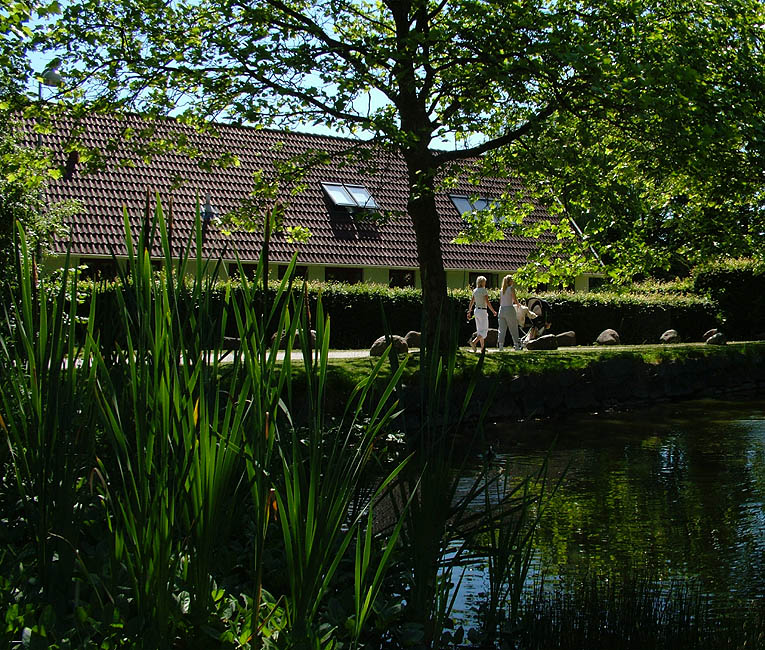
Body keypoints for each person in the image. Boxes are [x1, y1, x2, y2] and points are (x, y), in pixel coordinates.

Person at [466, 276, 496, 353]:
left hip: (476, 311)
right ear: (483, 282)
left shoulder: (475, 291)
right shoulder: (484, 291)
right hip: (483, 311)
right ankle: (474, 342)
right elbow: (487, 302)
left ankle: (482, 348)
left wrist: (469, 311)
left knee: (480, 330)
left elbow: (471, 302)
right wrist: (493, 311)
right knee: (485, 330)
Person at [497, 274, 521, 351]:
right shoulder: (511, 289)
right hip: (509, 309)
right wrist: (518, 304)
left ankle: (500, 346)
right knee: (513, 328)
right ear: (510, 281)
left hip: (501, 309)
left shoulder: (502, 290)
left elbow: (501, 301)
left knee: (501, 329)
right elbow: (514, 299)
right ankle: (516, 345)